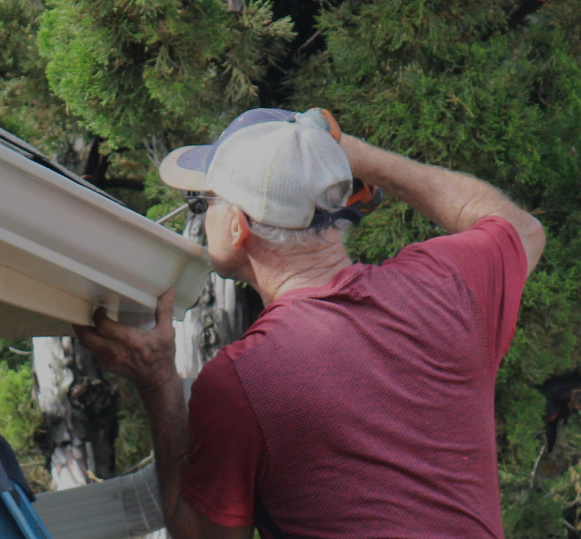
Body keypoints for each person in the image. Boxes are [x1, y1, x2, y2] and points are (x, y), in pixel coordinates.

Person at [73, 108, 547, 538]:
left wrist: (157, 383)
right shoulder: (448, 287)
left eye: (203, 203)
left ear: (238, 226)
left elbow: (203, 537)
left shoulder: (244, 383)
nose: (203, 215)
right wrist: (359, 155)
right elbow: (520, 228)